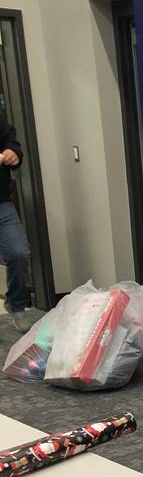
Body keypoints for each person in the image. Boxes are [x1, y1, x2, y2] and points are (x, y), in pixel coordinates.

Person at [0, 117, 31, 332]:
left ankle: (16, 304)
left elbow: (12, 144)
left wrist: (14, 153)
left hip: (2, 203)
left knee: (19, 253)